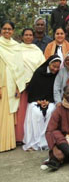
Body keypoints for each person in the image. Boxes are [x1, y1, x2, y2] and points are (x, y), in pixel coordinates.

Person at [23, 55, 61, 151]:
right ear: (49, 64)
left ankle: (45, 142)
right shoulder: (39, 73)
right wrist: (39, 101)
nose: (55, 69)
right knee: (36, 113)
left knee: (51, 111)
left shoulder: (57, 74)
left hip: (50, 101)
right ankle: (34, 142)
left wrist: (48, 101)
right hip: (35, 100)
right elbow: (32, 90)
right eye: (54, 66)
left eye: (57, 67)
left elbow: (56, 90)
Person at [0, 21, 26, 152]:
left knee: (8, 114)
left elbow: (19, 68)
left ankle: (7, 143)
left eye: (9, 29)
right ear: (1, 30)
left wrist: (18, 87)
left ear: (13, 31)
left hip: (12, 85)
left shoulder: (16, 47)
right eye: (4, 29)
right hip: (2, 84)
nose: (7, 31)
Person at [16, 28, 45, 142]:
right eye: (26, 35)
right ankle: (19, 137)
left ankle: (31, 136)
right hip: (20, 84)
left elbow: (42, 67)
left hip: (35, 84)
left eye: (30, 35)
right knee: (21, 111)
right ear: (22, 37)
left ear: (33, 37)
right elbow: (15, 67)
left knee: (32, 111)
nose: (28, 37)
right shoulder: (17, 49)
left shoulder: (37, 50)